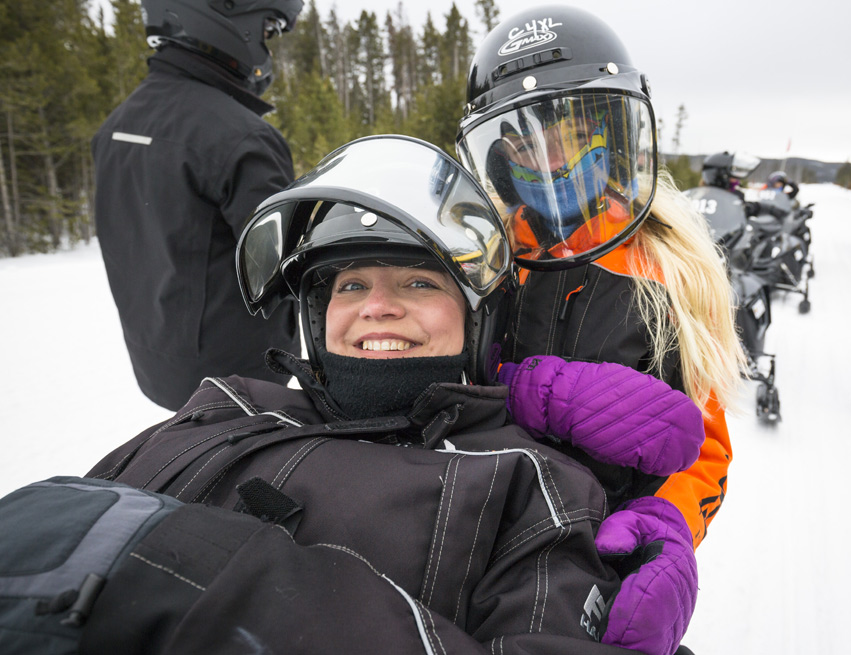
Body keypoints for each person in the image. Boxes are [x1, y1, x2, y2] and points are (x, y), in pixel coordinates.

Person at [83, 135, 709, 652]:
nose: (378, 307)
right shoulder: (228, 407)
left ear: (473, 317)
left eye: (415, 280)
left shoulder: (527, 485)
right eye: (350, 286)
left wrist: (669, 515)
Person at [456, 7, 746, 654]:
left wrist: (666, 519)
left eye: (572, 130)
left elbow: (703, 440)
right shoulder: (483, 260)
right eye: (528, 142)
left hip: (597, 540)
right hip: (482, 522)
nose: (552, 161)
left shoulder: (666, 268)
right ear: (501, 156)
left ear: (610, 133)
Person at [91, 0, 303, 411]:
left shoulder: (119, 123)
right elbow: (287, 265)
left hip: (160, 366)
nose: (266, 46)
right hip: (241, 384)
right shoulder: (240, 138)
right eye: (267, 29)